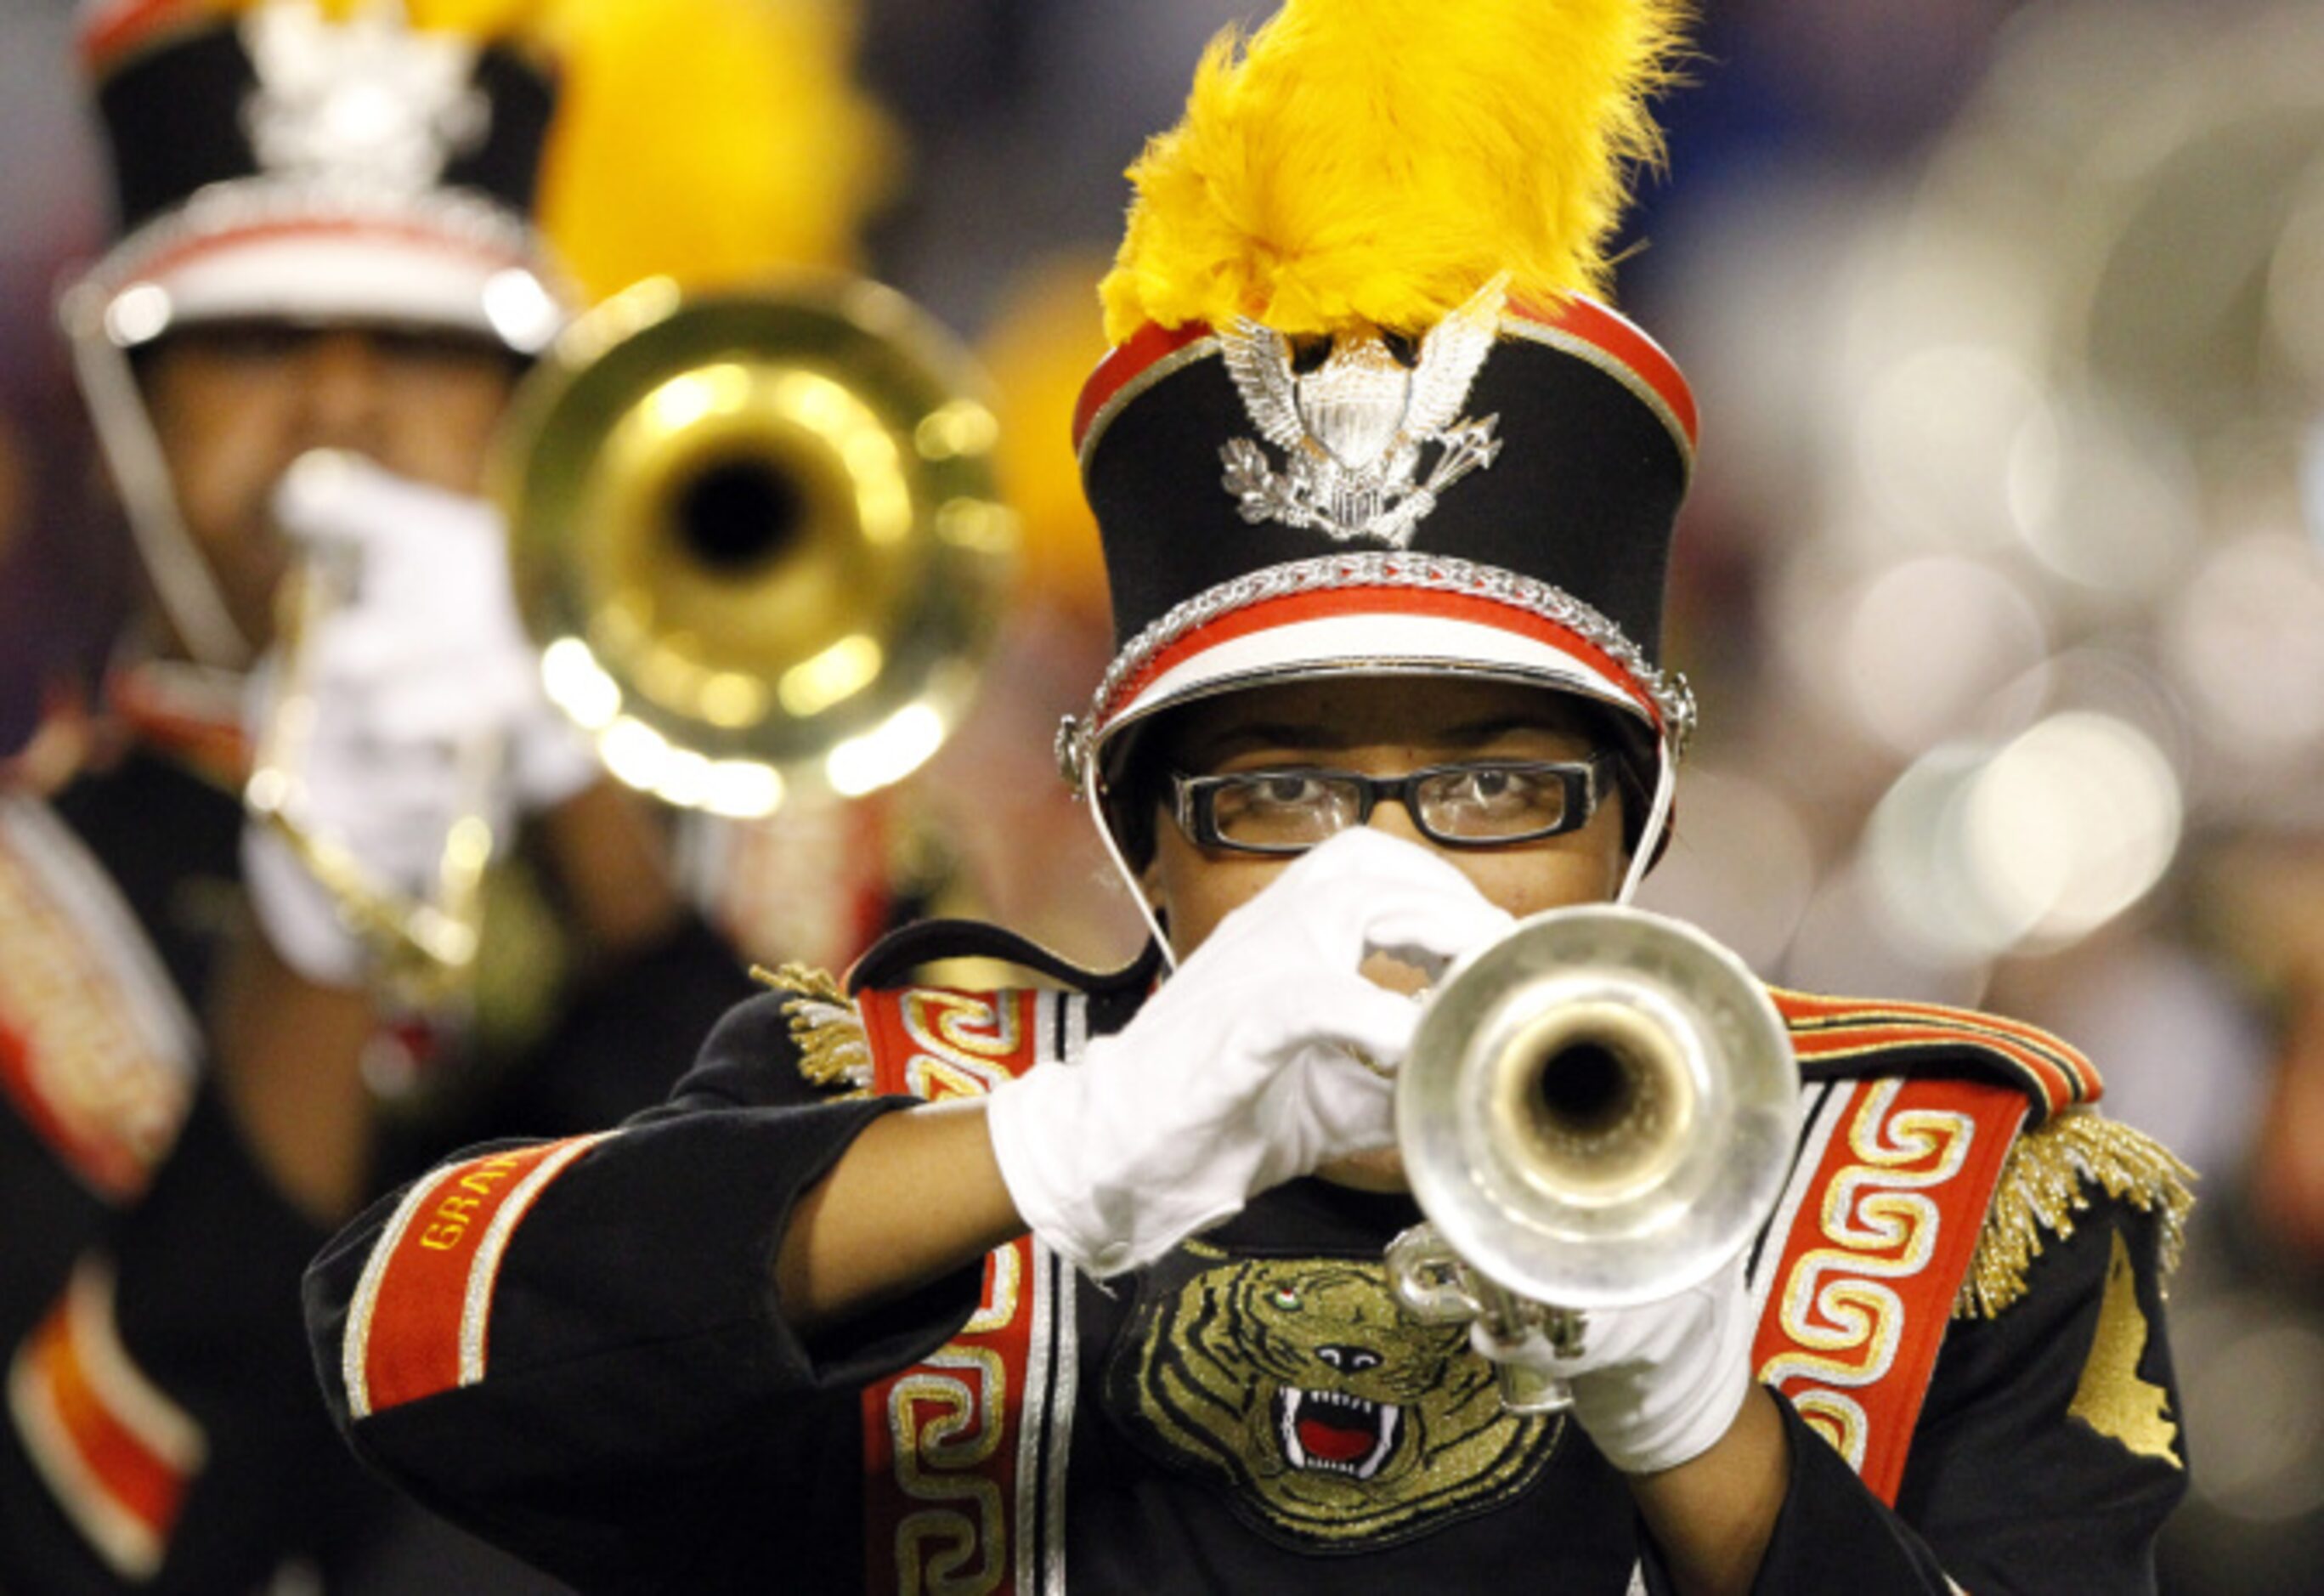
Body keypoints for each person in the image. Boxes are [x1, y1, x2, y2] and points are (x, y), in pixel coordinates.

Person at [304, 2, 2196, 1591]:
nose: (1383, 877)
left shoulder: (1947, 1195)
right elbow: (401, 1356)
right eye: (1279, 792)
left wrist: (1705, 1430)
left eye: (1500, 786)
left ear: (1640, 817)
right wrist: (1064, 1148)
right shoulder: (918, 1116)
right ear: (1142, 832)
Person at [0, 2, 763, 1588]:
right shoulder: (24, 895)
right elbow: (93, 1516)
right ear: (123, 407)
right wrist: (323, 908)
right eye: (258, 338)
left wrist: (575, 779)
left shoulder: (761, 837)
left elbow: (810, 1371)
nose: (343, 402)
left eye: (427, 345)